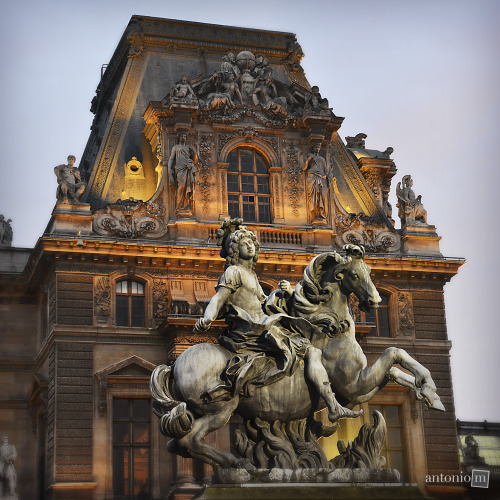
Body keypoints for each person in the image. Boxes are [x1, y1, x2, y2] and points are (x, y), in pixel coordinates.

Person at [194, 218, 360, 423]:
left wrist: (285, 293)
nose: (250, 246)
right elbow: (219, 298)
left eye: (251, 243)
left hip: (263, 322)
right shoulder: (233, 272)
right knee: (311, 350)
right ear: (235, 250)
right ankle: (333, 406)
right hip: (253, 329)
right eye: (244, 243)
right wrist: (207, 318)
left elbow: (263, 303)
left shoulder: (252, 275)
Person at [167, 133, 198, 215]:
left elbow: (195, 161)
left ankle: (186, 206)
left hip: (188, 168)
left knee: (188, 187)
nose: (183, 137)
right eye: (182, 136)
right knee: (181, 187)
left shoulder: (188, 148)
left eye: (185, 136)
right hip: (179, 169)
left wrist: (194, 151)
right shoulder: (176, 147)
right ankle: (179, 206)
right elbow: (171, 159)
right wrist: (169, 169)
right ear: (179, 137)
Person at [303, 144, 332, 222]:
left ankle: (321, 214)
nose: (317, 148)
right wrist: (308, 159)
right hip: (312, 177)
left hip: (321, 178)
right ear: (313, 148)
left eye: (318, 147)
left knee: (323, 196)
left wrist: (329, 181)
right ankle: (315, 214)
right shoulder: (310, 157)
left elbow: (326, 171)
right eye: (316, 147)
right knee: (314, 196)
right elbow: (304, 168)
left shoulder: (322, 159)